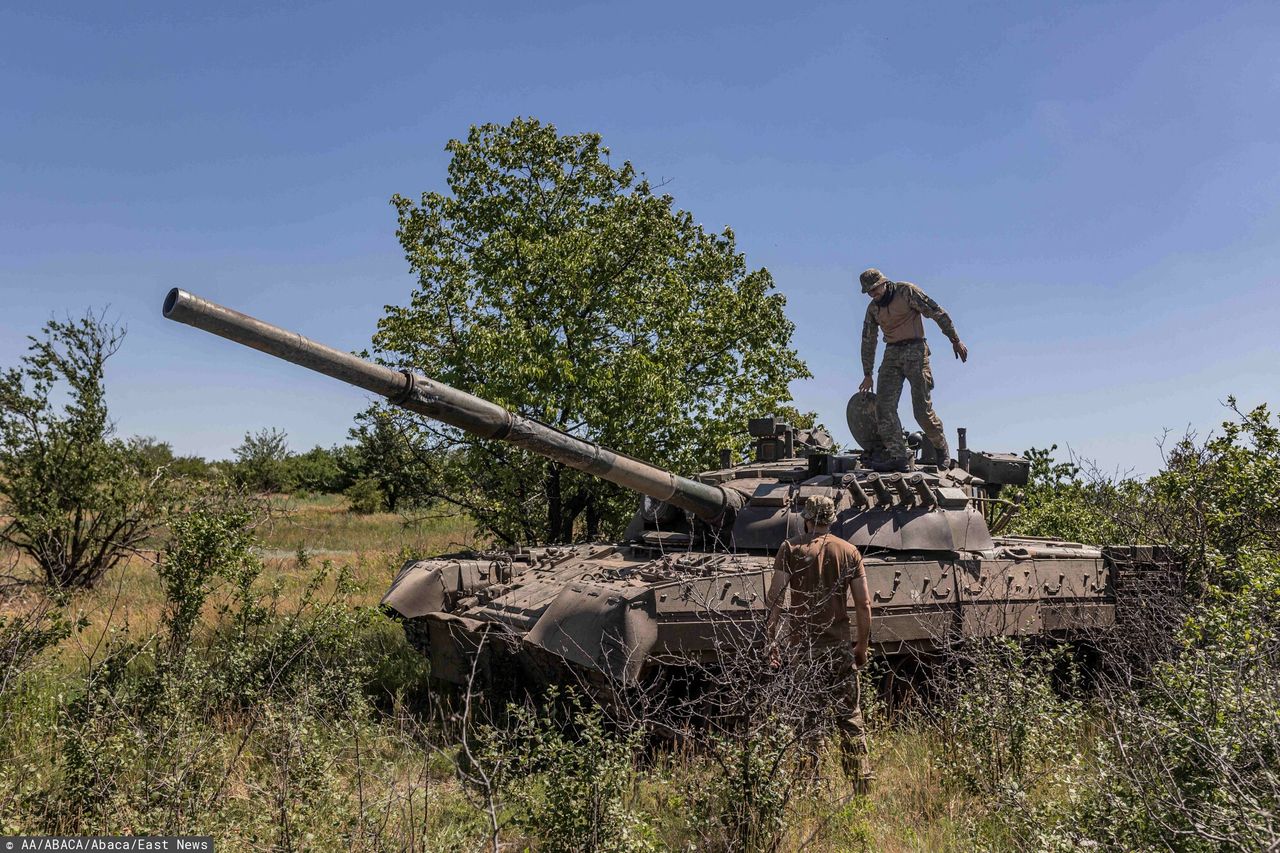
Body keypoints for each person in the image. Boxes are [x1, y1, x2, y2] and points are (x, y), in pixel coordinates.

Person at [765, 495, 873, 790]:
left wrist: (771, 640)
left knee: (808, 722)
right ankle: (861, 785)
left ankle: (810, 788)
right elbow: (863, 604)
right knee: (850, 717)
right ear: (832, 519)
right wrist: (861, 646)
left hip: (804, 650)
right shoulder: (850, 552)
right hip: (839, 648)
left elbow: (776, 597)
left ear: (806, 518)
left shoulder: (790, 549)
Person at [857, 267, 968, 471]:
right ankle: (898, 456)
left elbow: (936, 312)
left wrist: (955, 339)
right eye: (869, 292)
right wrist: (867, 373)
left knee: (921, 411)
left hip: (916, 350)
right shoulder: (873, 309)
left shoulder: (906, 292)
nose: (873, 294)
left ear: (884, 282)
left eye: (875, 289)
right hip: (892, 353)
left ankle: (940, 447)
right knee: (883, 407)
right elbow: (868, 340)